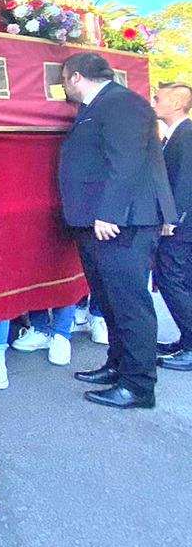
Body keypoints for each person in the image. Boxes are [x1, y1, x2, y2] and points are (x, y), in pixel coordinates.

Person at [58, 52, 177, 409]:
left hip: (121, 223)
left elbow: (126, 162)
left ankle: (139, 385)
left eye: (64, 79)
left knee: (130, 305)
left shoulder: (122, 103)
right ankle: (118, 365)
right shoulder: (101, 105)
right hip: (99, 222)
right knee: (109, 300)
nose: (63, 86)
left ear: (76, 77)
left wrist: (110, 213)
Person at [152, 81, 192, 371]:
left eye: (158, 98)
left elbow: (184, 182)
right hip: (180, 221)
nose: (154, 101)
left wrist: (171, 218)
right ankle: (186, 338)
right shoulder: (174, 135)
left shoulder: (186, 136)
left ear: (177, 103)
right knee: (180, 280)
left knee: (171, 279)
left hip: (181, 223)